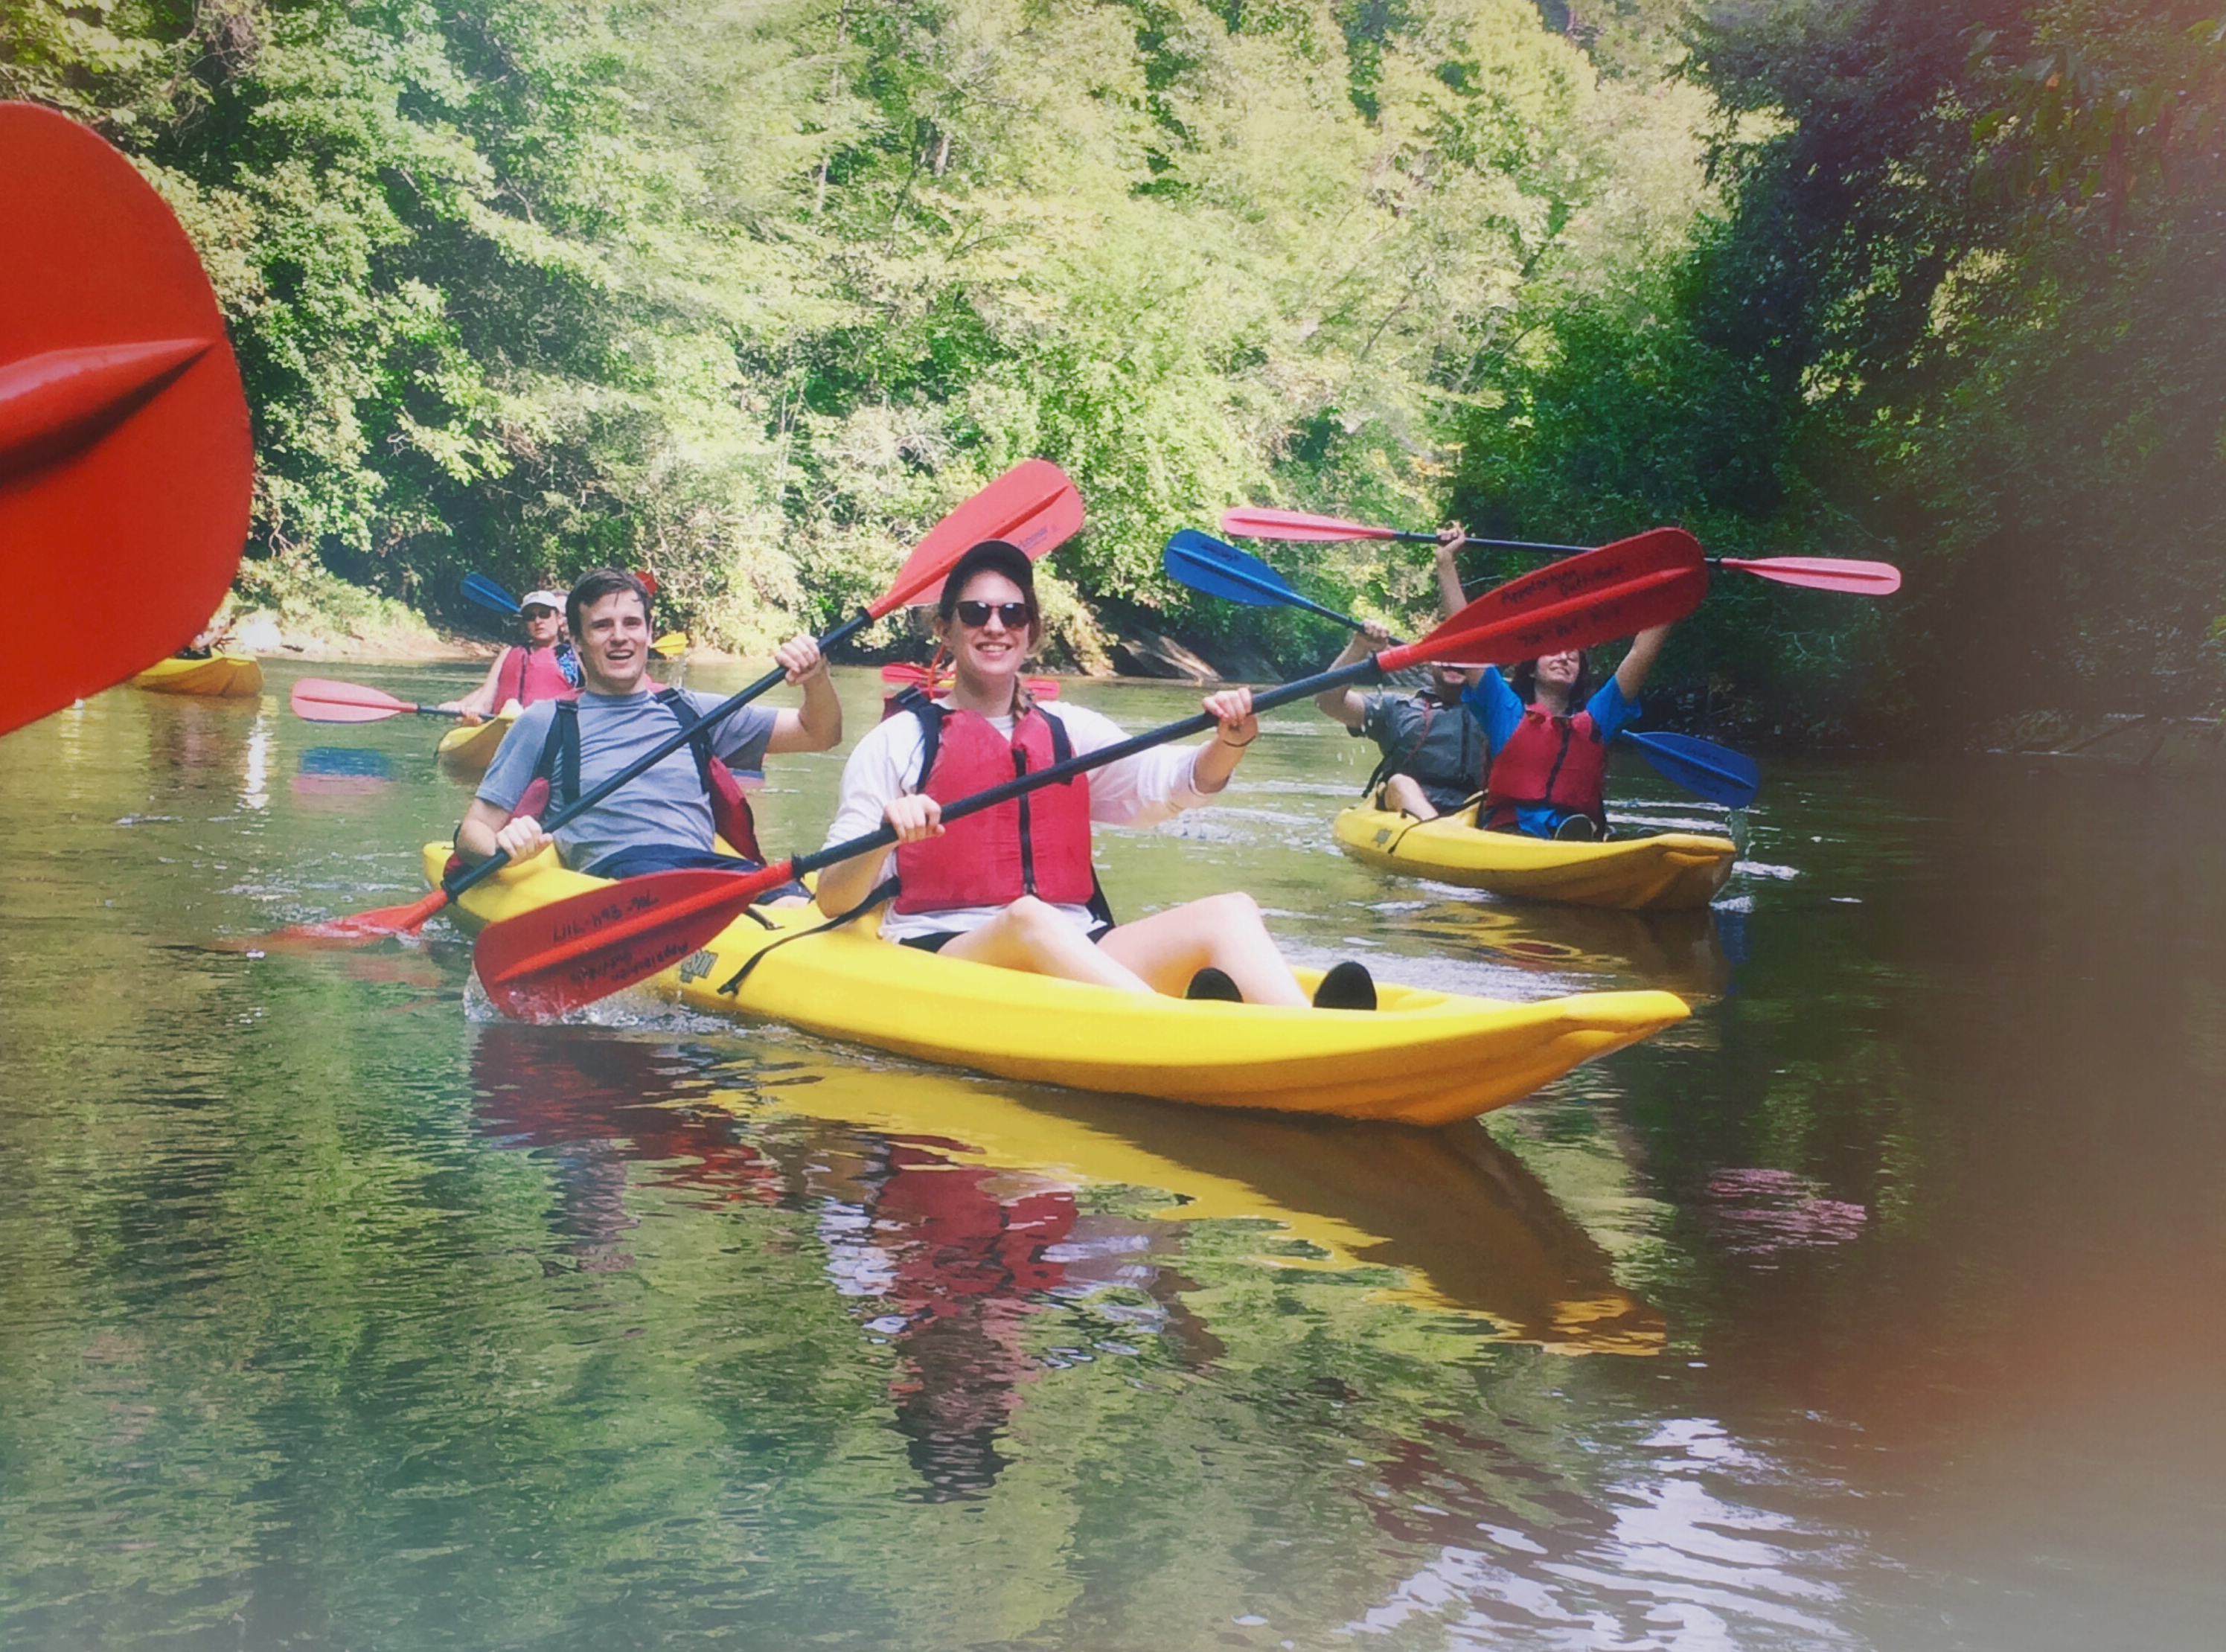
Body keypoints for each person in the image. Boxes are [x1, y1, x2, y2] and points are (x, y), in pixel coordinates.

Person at [811, 539, 1375, 1009]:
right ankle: (1178, 1032)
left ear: (1031, 631)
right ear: (946, 629)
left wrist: (1229, 742)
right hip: (947, 954)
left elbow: (1171, 783)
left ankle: (1312, 1035)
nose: (995, 626)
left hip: (1080, 945)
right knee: (1027, 918)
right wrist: (884, 833)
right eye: (974, 612)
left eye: (1013, 613)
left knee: (1230, 912)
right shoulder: (898, 742)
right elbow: (834, 899)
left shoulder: (1069, 732)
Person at [455, 569, 841, 880]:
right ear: (576, 641)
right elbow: (472, 833)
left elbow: (820, 734)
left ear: (649, 632)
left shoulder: (693, 711)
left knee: (791, 898)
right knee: (657, 876)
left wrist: (817, 677)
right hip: (623, 877)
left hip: (709, 871)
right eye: (602, 625)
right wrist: (502, 849)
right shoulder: (545, 721)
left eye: (632, 623)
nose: (620, 637)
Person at [1433, 522, 1672, 841]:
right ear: (1531, 669)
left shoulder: (1600, 717)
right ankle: (1563, 842)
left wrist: (1669, 584)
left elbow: (1642, 653)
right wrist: (1445, 562)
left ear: (1579, 673)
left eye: (1574, 654)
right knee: (1532, 835)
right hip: (1511, 832)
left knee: (1597, 833)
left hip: (1576, 832)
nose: (1565, 656)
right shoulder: (1504, 708)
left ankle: (1581, 841)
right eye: (1553, 651)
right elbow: (1467, 640)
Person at [1314, 615, 1483, 821]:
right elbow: (1329, 702)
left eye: (1465, 651)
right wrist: (1358, 648)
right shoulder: (1397, 708)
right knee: (1400, 783)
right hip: (1407, 810)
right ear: (1429, 659)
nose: (1456, 659)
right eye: (1447, 649)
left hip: (1474, 810)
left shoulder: (1500, 711)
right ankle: (1437, 831)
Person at [444, 589, 580, 723]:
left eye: (544, 614)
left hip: (553, 727)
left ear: (559, 618)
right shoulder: (508, 653)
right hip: (504, 727)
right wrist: (472, 711)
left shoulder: (575, 656)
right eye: (530, 617)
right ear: (525, 623)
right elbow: (486, 698)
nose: (538, 621)